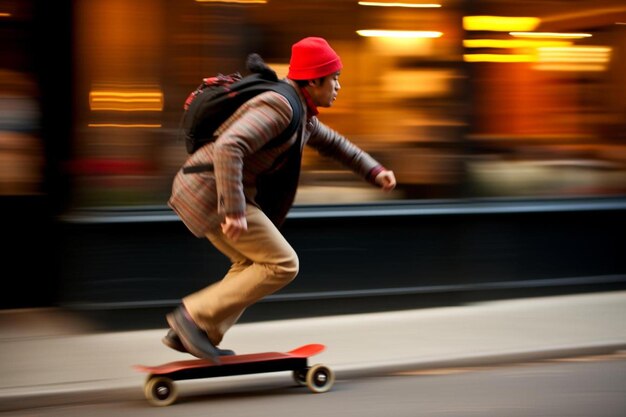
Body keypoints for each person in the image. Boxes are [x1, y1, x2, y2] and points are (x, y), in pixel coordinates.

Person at [165, 36, 397, 362]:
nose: (338, 86)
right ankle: (191, 317)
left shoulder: (302, 113)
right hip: (211, 192)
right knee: (283, 264)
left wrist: (375, 171)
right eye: (335, 78)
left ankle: (196, 331)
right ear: (314, 80)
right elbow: (229, 146)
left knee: (252, 264)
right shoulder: (281, 106)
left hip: (208, 190)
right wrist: (233, 209)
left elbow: (336, 144)